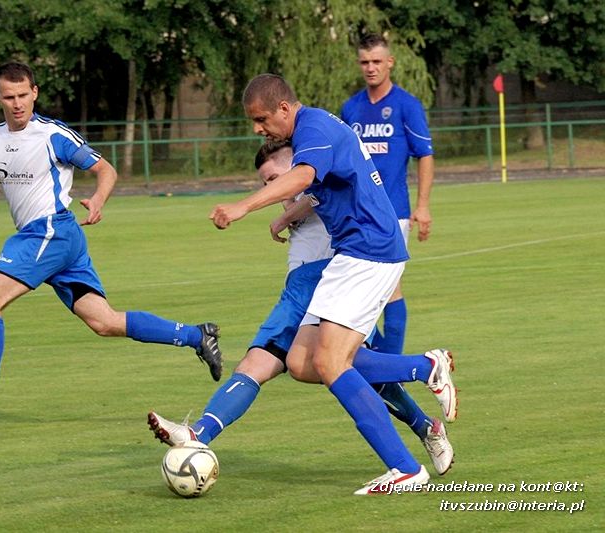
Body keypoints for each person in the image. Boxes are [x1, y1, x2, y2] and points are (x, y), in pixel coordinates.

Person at [208, 74, 457, 495]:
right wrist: (286, 216)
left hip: (369, 251)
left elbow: (304, 177)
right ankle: (424, 366)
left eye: (261, 119)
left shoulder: (315, 129)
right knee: (304, 363)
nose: (257, 128)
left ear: (284, 109)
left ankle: (405, 469)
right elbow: (324, 187)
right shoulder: (317, 127)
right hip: (352, 253)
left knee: (330, 363)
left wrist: (243, 206)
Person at [0, 62, 222, 423]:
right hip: (56, 240)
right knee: (104, 322)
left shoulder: (53, 134)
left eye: (23, 95)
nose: (17, 103)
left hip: (50, 230)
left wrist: (99, 199)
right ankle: (197, 336)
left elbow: (105, 170)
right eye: (9, 97)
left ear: (35, 92)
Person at [148, 141, 454, 476]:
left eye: (274, 177)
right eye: (265, 182)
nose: (272, 188)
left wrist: (284, 214)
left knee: (338, 366)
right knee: (261, 363)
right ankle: (198, 434)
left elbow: (320, 190)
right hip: (298, 290)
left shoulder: (318, 178)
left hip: (334, 280)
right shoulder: (302, 192)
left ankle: (423, 393)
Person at [340, 33, 435, 356]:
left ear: (390, 62)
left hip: (393, 212)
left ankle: (389, 363)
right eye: (365, 62)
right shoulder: (351, 108)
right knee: (361, 292)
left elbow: (424, 154)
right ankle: (379, 359)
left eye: (377, 61)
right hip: (355, 214)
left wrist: (422, 206)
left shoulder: (406, 105)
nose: (371, 68)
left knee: (388, 288)